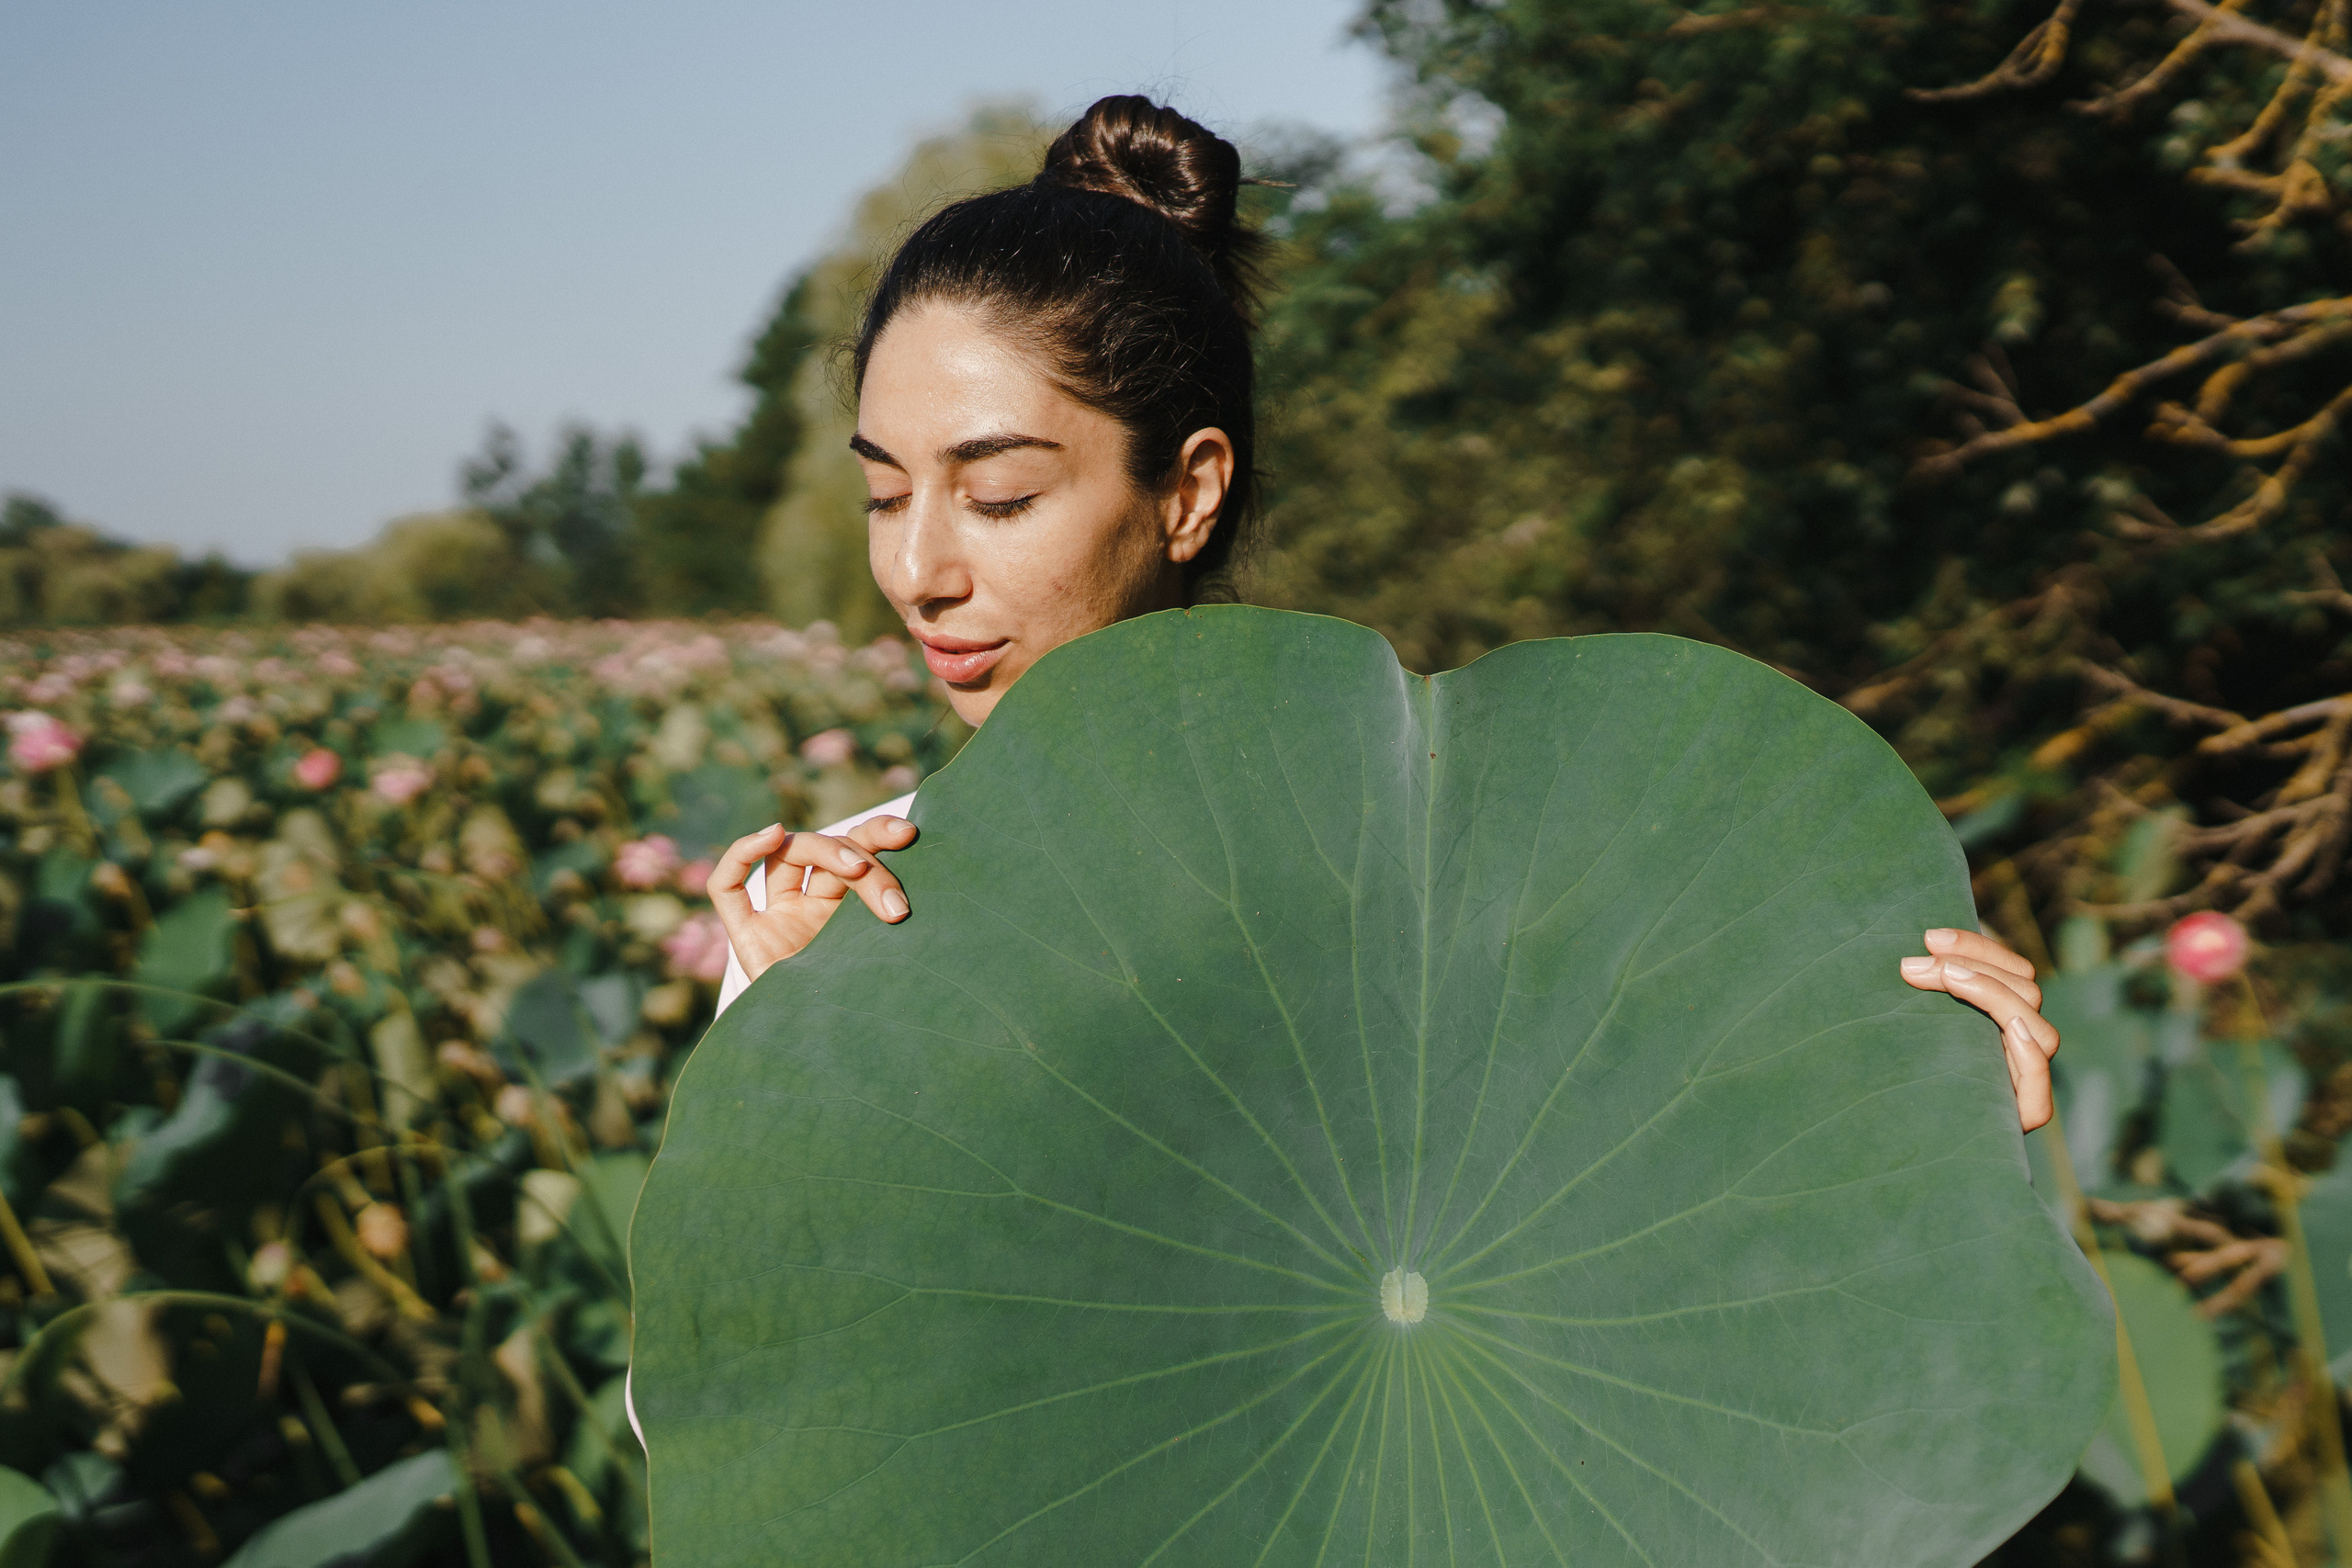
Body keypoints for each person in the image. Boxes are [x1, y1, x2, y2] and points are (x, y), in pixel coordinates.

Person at [702, 94, 2063, 1133]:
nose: (919, 571)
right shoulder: (841, 914)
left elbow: (1643, 1233)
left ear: (1187, 492)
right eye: (886, 496)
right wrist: (789, 1052)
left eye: (996, 496)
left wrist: (1906, 1089)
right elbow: (744, 1422)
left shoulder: (1462, 867)